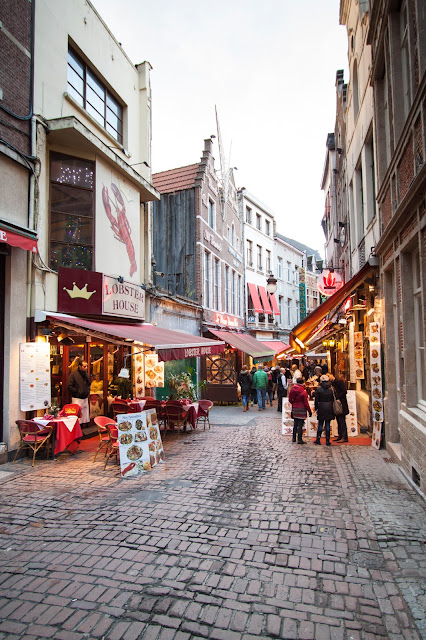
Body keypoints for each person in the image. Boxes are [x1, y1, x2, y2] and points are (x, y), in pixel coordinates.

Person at [67, 359, 91, 426]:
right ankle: (77, 430)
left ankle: (82, 429)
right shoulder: (74, 374)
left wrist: (87, 391)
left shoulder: (86, 374)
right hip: (77, 398)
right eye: (84, 366)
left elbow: (89, 384)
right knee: (77, 415)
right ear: (80, 366)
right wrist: (77, 392)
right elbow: (69, 386)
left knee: (84, 416)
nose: (86, 368)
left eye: (86, 366)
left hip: (84, 398)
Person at [288, 377, 311, 444]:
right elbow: (306, 403)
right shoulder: (303, 392)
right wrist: (309, 411)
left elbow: (290, 399)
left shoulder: (292, 389)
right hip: (302, 409)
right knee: (300, 425)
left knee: (295, 423)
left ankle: (294, 438)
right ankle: (300, 439)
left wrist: (294, 404)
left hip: (295, 408)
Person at [314, 374, 335, 446]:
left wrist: (316, 408)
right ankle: (327, 440)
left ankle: (318, 439)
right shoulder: (331, 388)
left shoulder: (319, 389)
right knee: (327, 424)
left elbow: (316, 400)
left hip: (321, 407)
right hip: (329, 406)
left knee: (320, 423)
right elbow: (333, 398)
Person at [332, 376, 349, 442]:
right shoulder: (333, 383)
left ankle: (344, 437)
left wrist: (338, 396)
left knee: (342, 421)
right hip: (337, 404)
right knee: (338, 420)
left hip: (341, 404)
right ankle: (340, 435)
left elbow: (344, 391)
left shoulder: (339, 382)